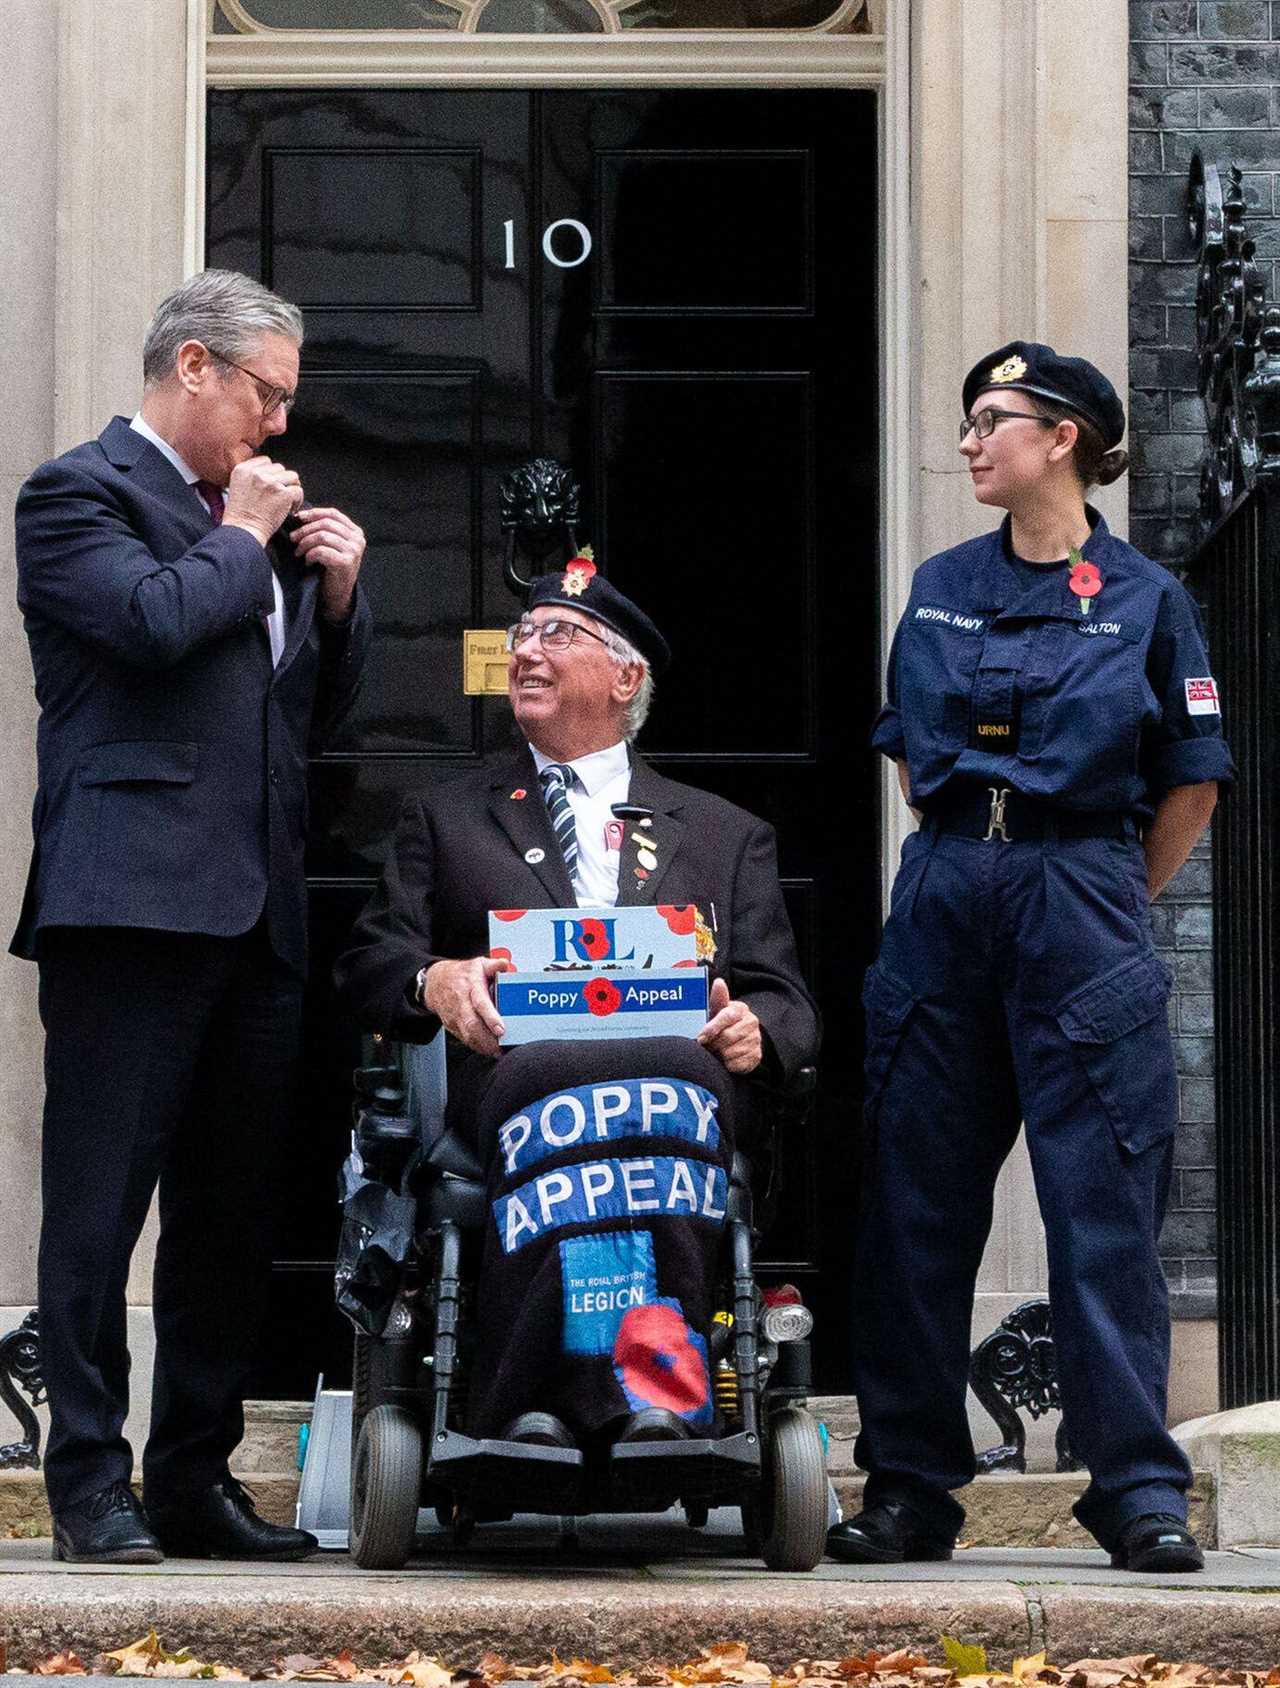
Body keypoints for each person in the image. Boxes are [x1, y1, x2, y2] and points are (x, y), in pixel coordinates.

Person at [828, 342, 1234, 1575]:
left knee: (1100, 1209)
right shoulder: (940, 582)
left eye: (989, 420)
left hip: (1079, 896)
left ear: (1061, 437)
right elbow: (907, 748)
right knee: (912, 1205)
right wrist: (977, 859)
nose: (966, 440)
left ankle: (1131, 1489)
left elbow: (1189, 783)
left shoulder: (1145, 596)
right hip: (950, 889)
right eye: (965, 420)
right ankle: (907, 1485)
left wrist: (1098, 887)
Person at [12, 268, 372, 1563]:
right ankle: (89, 1489)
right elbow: (155, 627)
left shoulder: (256, 524)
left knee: (228, 1221)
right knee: (100, 1215)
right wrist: (243, 542)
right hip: (130, 907)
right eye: (265, 396)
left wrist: (334, 596)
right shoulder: (76, 498)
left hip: (257, 914)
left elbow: (303, 725)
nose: (278, 428)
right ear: (196, 370)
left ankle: (192, 1481)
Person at [334, 560, 819, 1444]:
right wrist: (433, 980)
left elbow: (785, 1000)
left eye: (558, 635)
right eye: (522, 636)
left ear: (625, 676)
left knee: (663, 1081)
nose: (528, 652)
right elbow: (372, 958)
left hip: (677, 1076)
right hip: (511, 1075)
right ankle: (576, 1396)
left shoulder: (721, 832)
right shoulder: (447, 817)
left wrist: (758, 1031)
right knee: (569, 1081)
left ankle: (598, 1398)